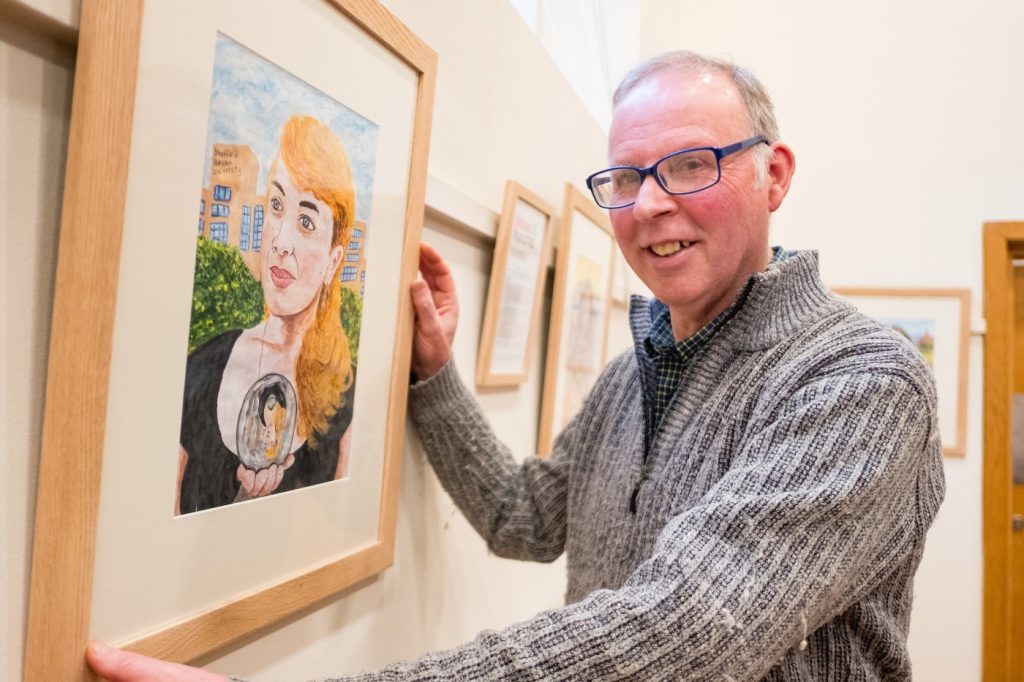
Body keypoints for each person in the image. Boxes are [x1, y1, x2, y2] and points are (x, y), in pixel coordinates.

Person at [89, 51, 944, 680]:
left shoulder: (860, 382)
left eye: (690, 165)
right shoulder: (634, 375)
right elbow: (523, 515)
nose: (650, 206)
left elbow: (699, 622)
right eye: (626, 177)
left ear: (774, 175)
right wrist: (432, 376)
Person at [176, 115, 357, 515]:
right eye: (276, 206)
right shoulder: (202, 370)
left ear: (333, 261)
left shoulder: (348, 393)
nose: (280, 240)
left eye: (306, 221)